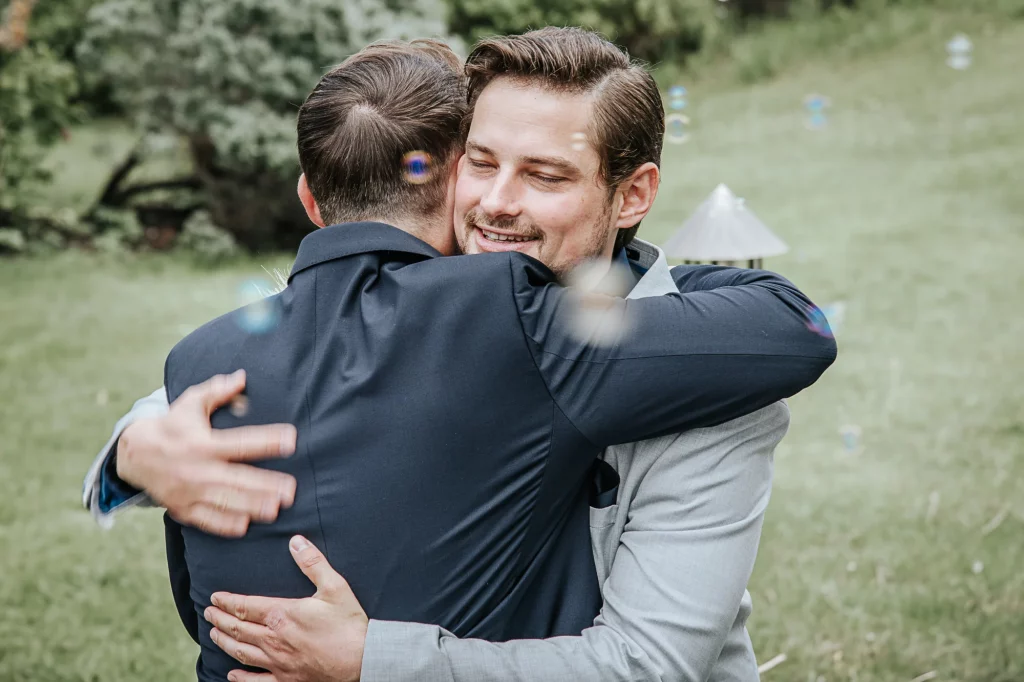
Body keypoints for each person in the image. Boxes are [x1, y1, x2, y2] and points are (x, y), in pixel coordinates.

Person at [82, 29, 836, 682]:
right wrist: (136, 450)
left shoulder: (718, 379)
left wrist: (373, 659)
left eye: (544, 175)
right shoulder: (435, 308)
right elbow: (281, 369)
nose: (496, 202)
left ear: (632, 195)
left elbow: (646, 665)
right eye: (479, 162)